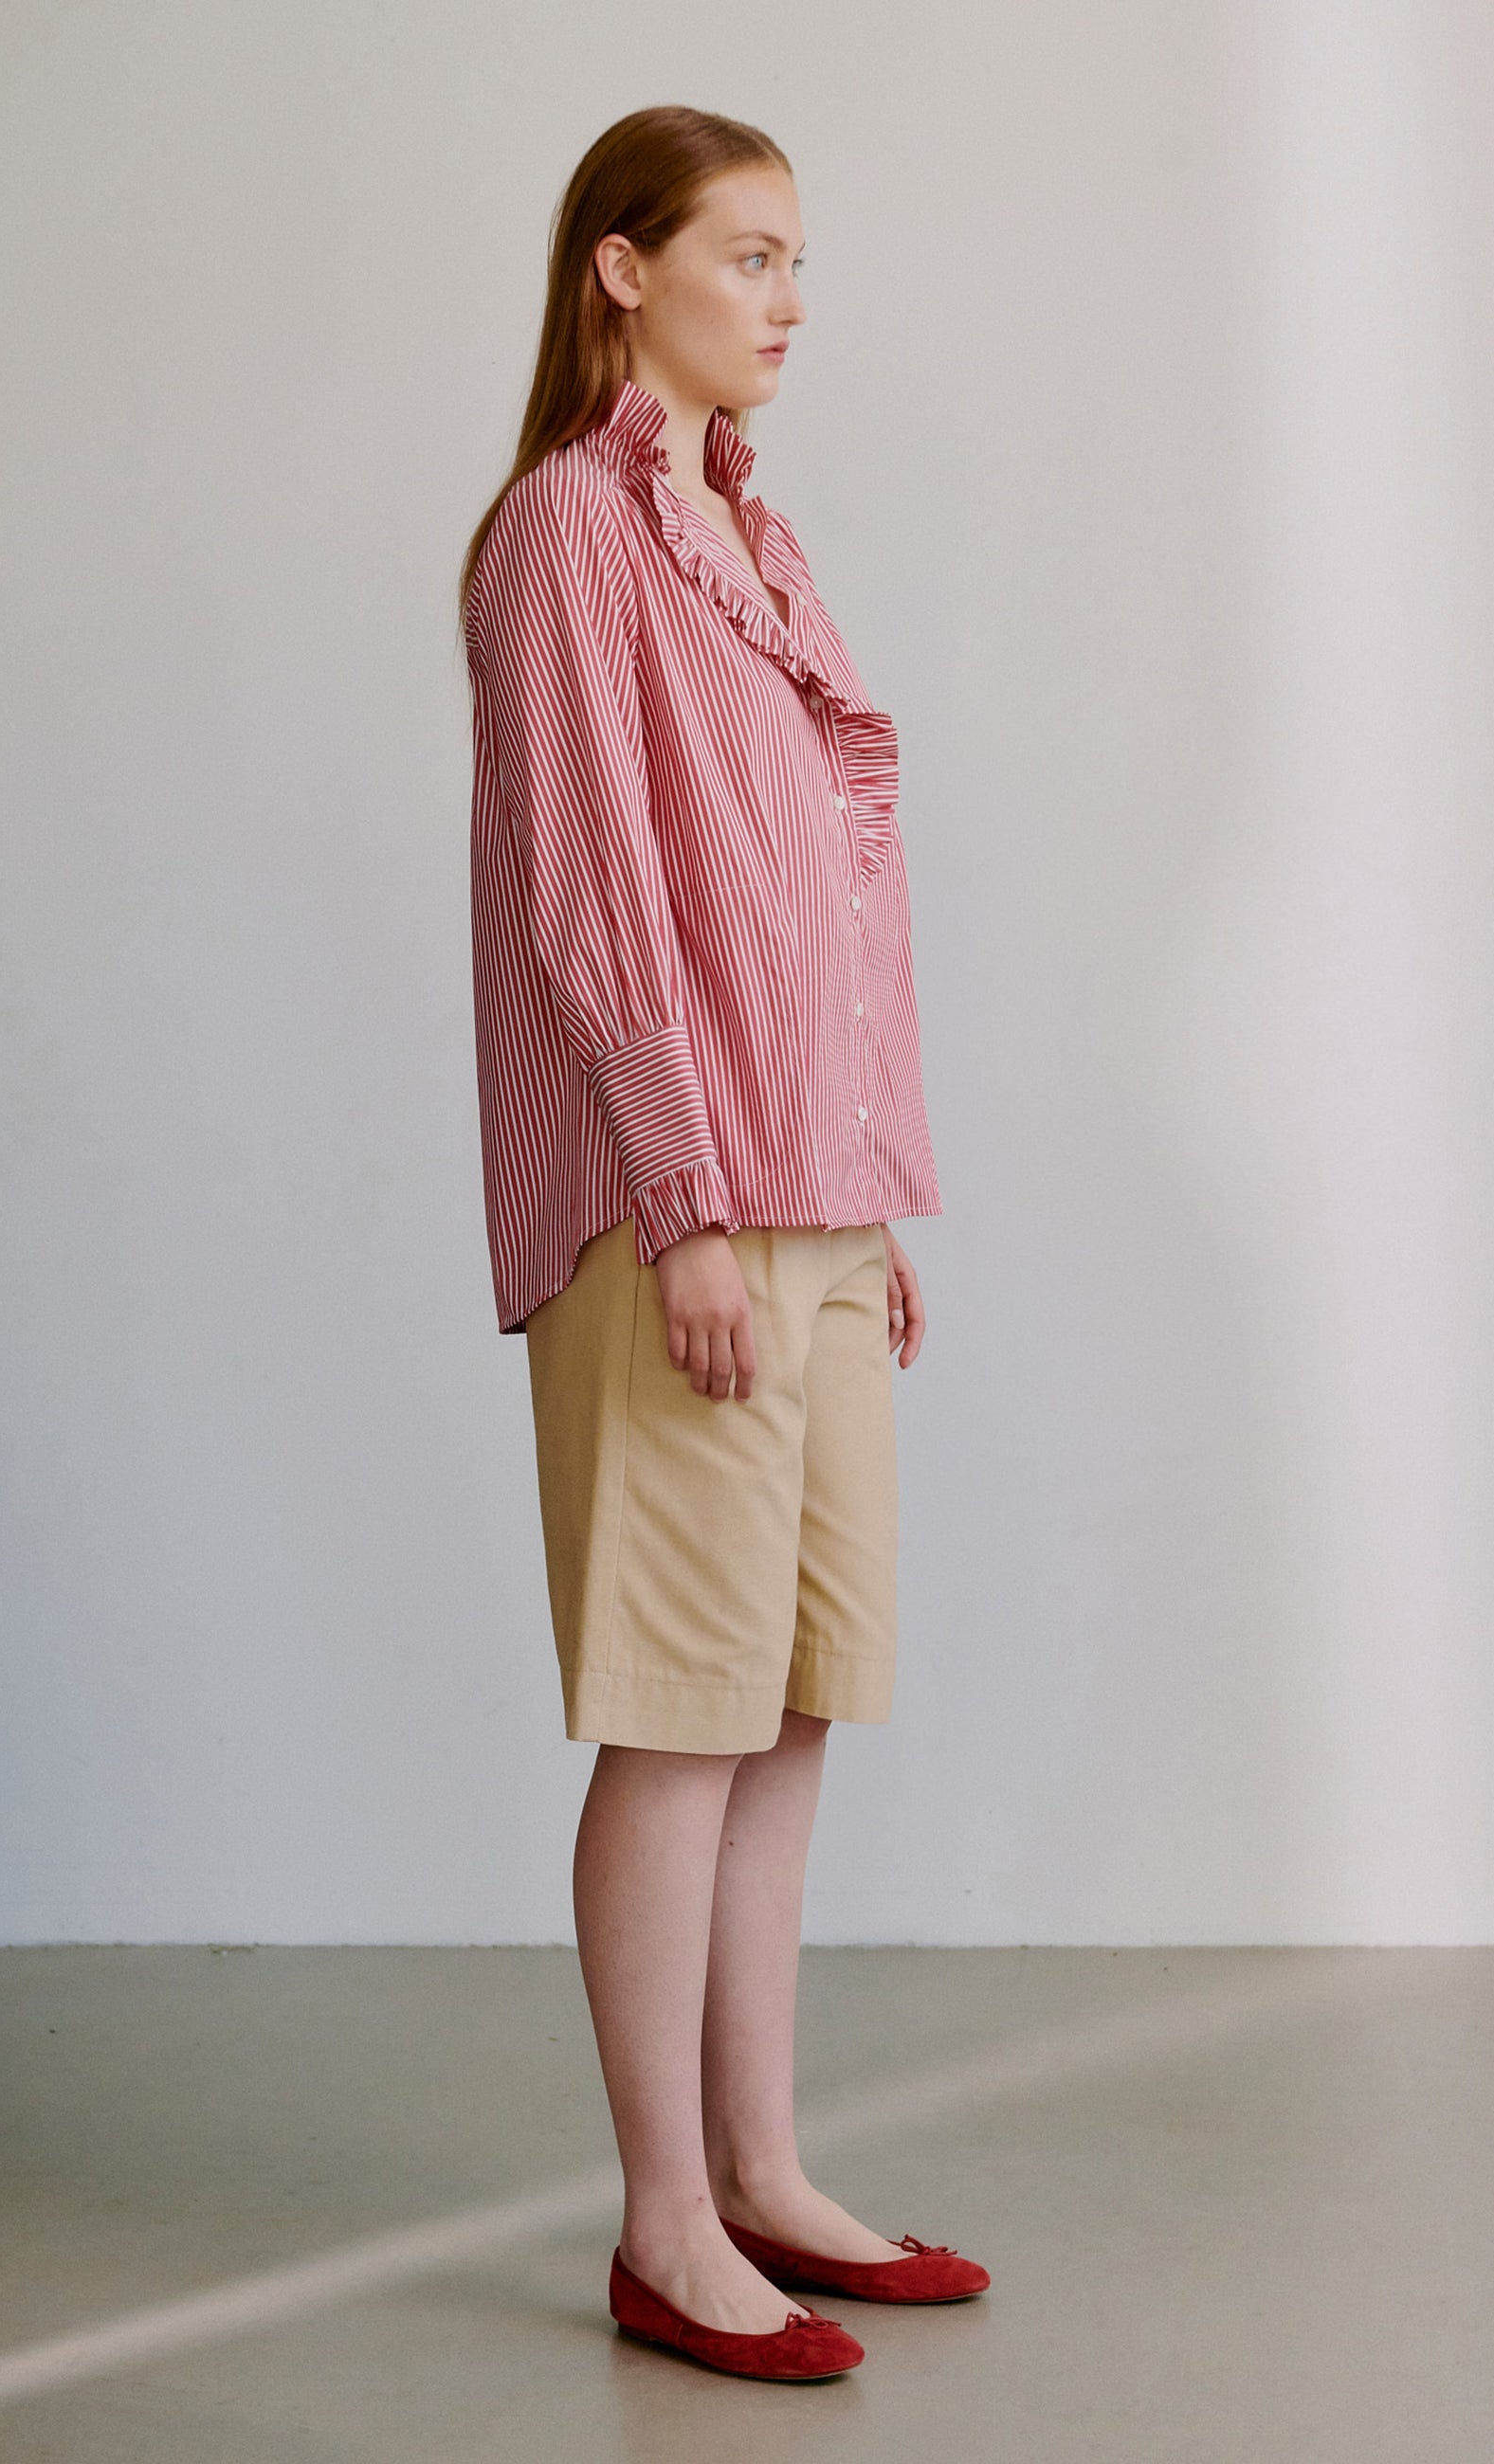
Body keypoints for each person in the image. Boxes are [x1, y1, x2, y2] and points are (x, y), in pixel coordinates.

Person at [458, 104, 988, 2382]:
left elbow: (819, 908)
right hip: (671, 1212)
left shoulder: (750, 546)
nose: (786, 296)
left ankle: (768, 2171)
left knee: (785, 1710)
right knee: (676, 1725)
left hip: (813, 1201)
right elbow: (596, 905)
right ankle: (666, 2222)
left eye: (798, 262)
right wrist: (684, 1198)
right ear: (618, 270)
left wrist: (858, 1194)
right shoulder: (571, 533)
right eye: (745, 254)